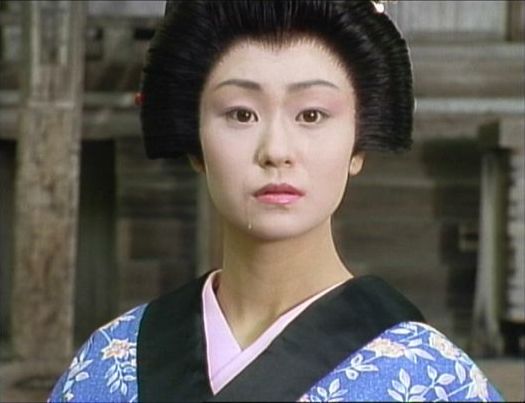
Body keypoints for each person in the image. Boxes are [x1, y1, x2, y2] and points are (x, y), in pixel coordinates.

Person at [48, 1, 504, 401]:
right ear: (195, 144)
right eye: (241, 114)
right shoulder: (111, 362)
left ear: (359, 144)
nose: (276, 151)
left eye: (312, 114)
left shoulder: (431, 380)